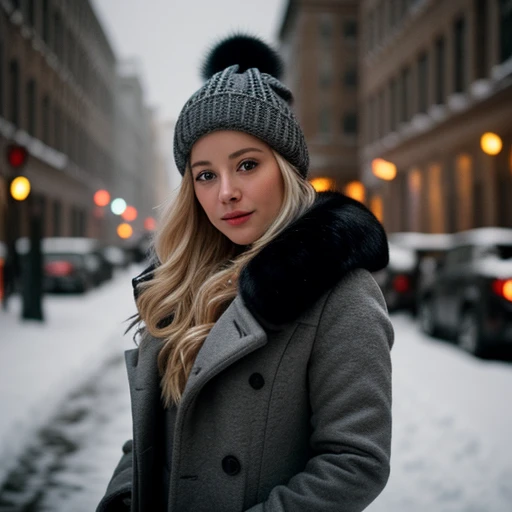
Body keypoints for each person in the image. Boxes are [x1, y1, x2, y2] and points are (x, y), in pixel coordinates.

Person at [97, 34, 394, 512]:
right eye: (206, 174)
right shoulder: (177, 285)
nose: (226, 192)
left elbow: (354, 462)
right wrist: (120, 499)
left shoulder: (341, 292)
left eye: (248, 165)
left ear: (287, 169)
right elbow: (156, 435)